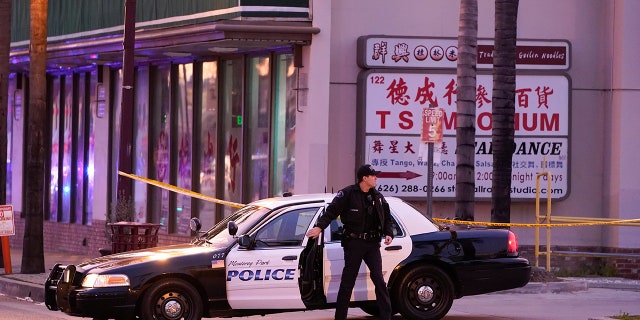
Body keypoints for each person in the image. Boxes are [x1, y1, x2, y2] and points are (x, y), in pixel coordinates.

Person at [306, 164, 394, 320]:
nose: (376, 178)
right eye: (373, 176)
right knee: (348, 282)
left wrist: (389, 233)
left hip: (372, 244)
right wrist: (319, 227)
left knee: (379, 281)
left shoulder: (378, 197)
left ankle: (386, 316)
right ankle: (340, 317)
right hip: (354, 243)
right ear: (364, 178)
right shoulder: (347, 194)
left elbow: (387, 217)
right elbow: (331, 212)